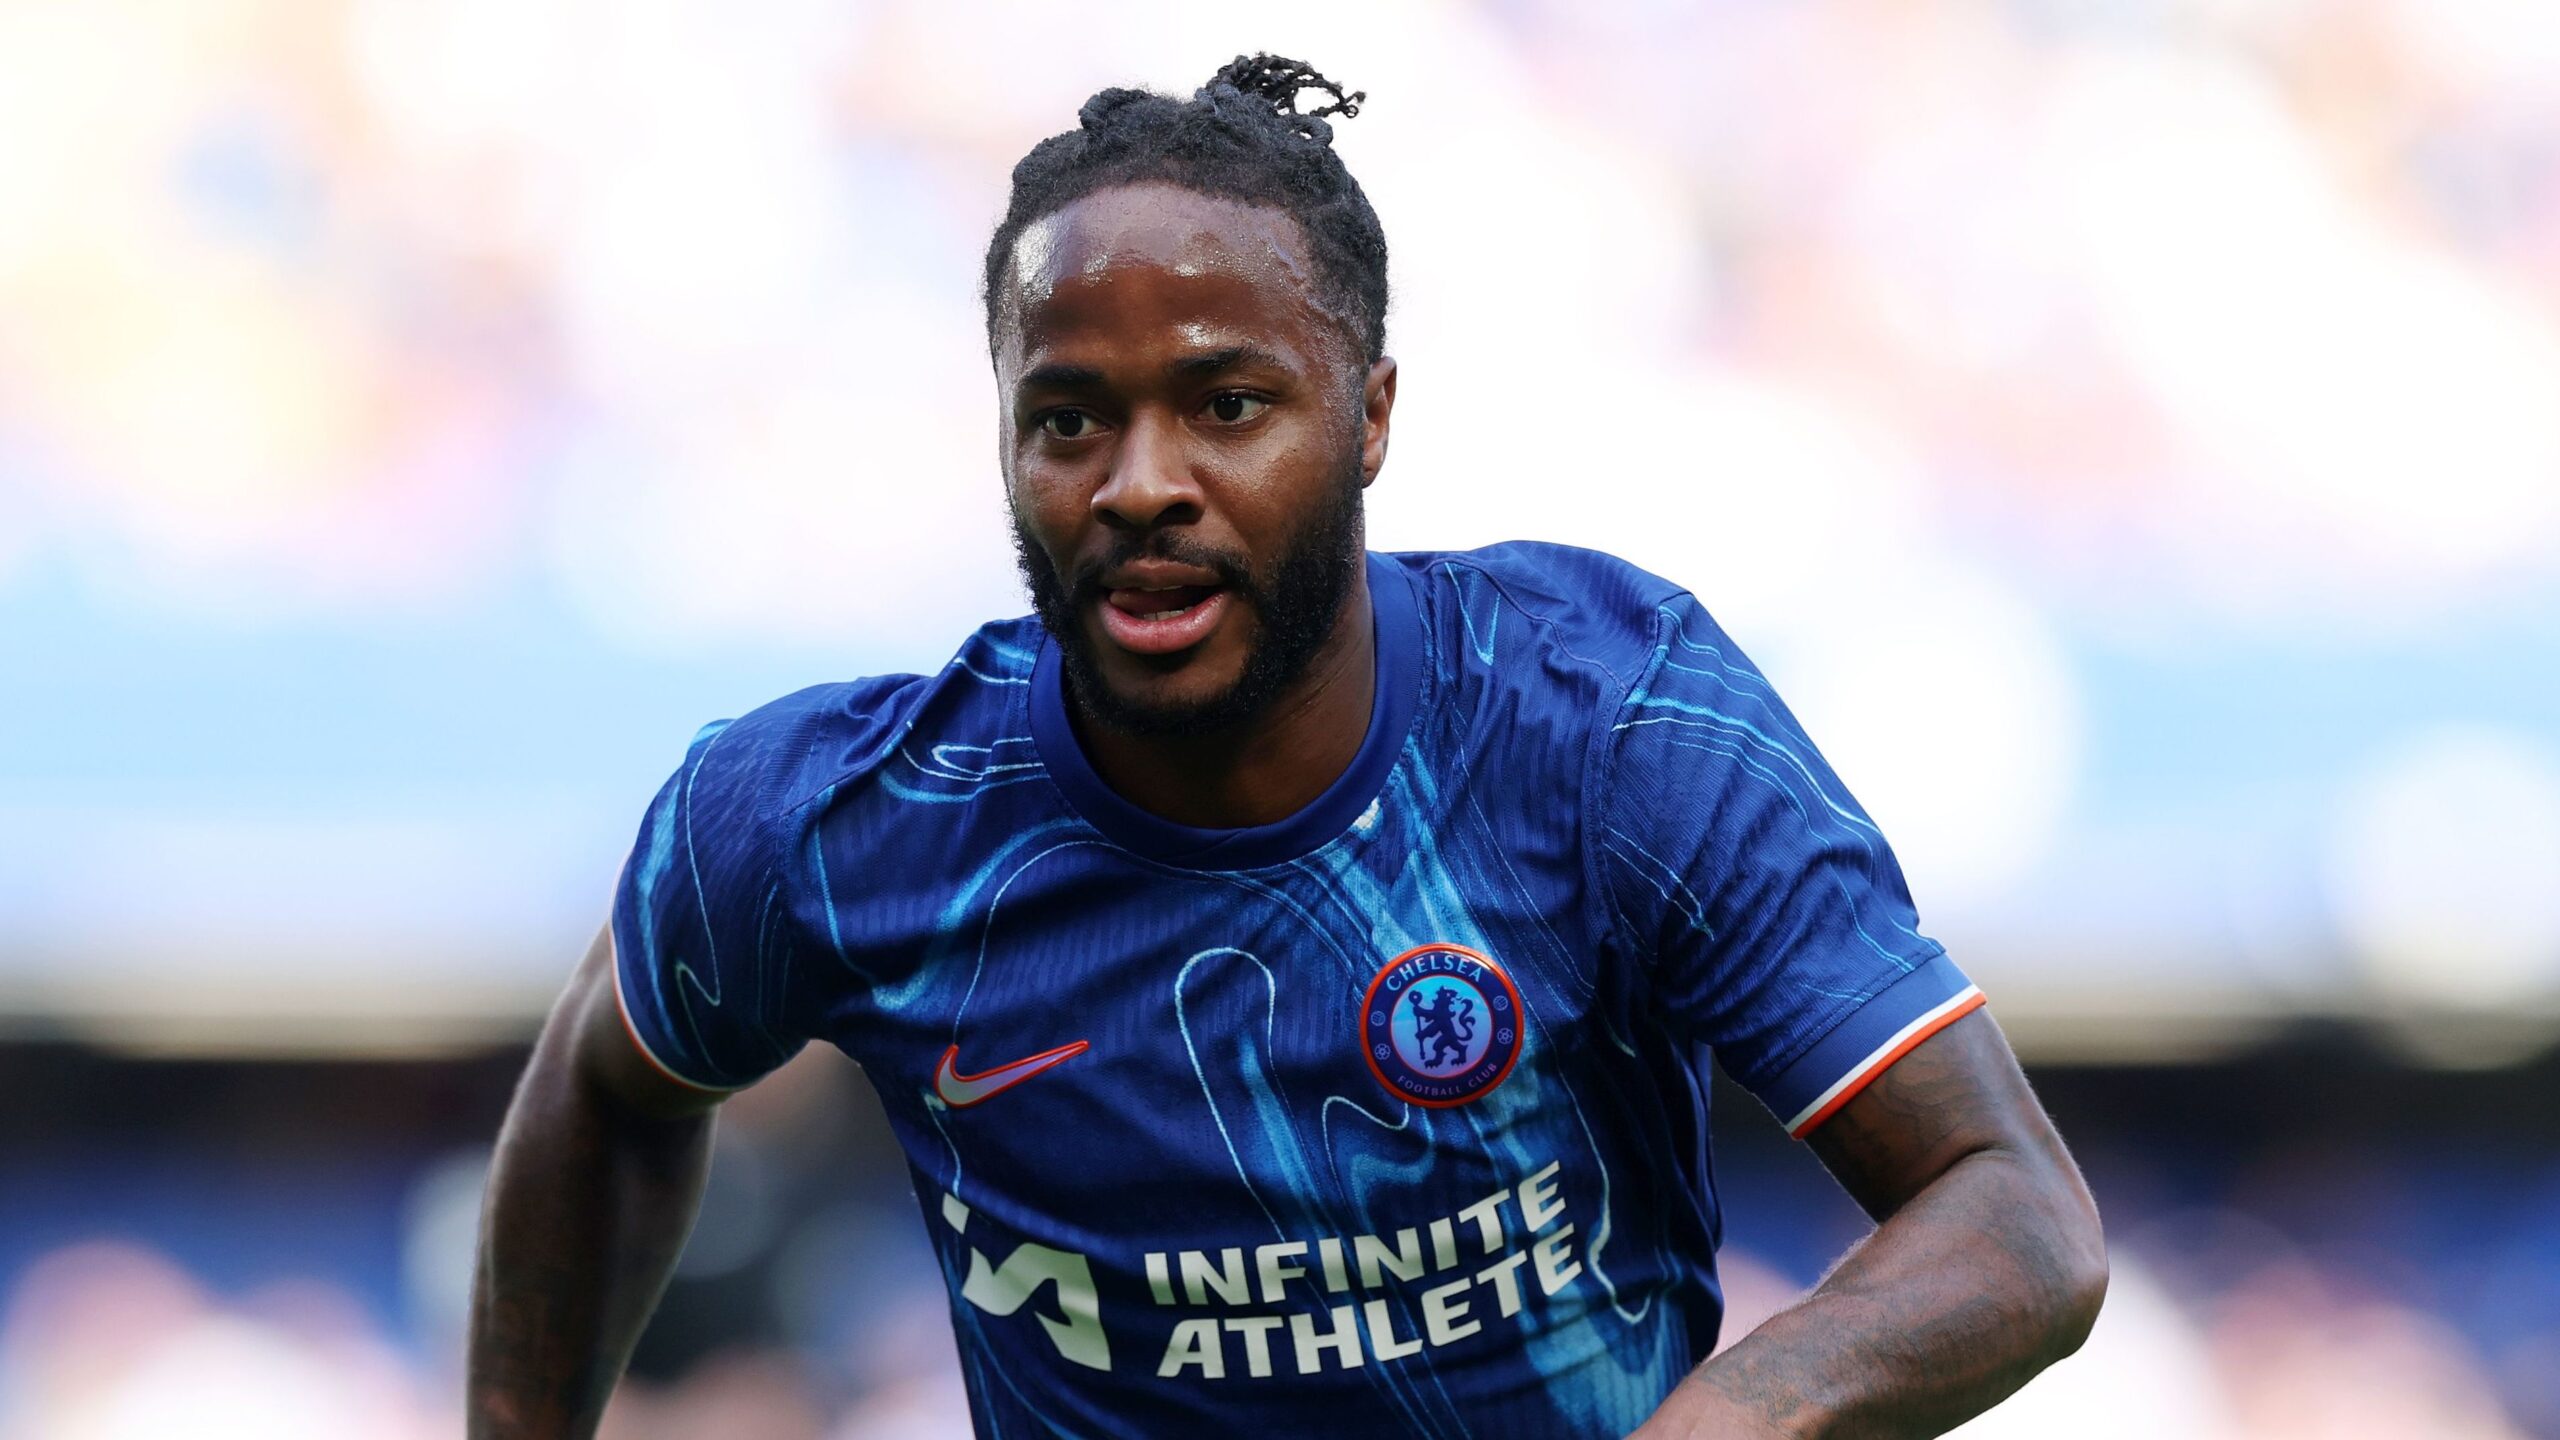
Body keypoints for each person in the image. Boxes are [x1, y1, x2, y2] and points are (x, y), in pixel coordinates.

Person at [468, 54, 2106, 1440]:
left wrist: (1725, 1424)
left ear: (1370, 415)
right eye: (1070, 418)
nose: (1140, 484)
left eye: (1228, 405)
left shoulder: (1607, 722)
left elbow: (2015, 1212)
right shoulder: (828, 825)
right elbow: (603, 1094)